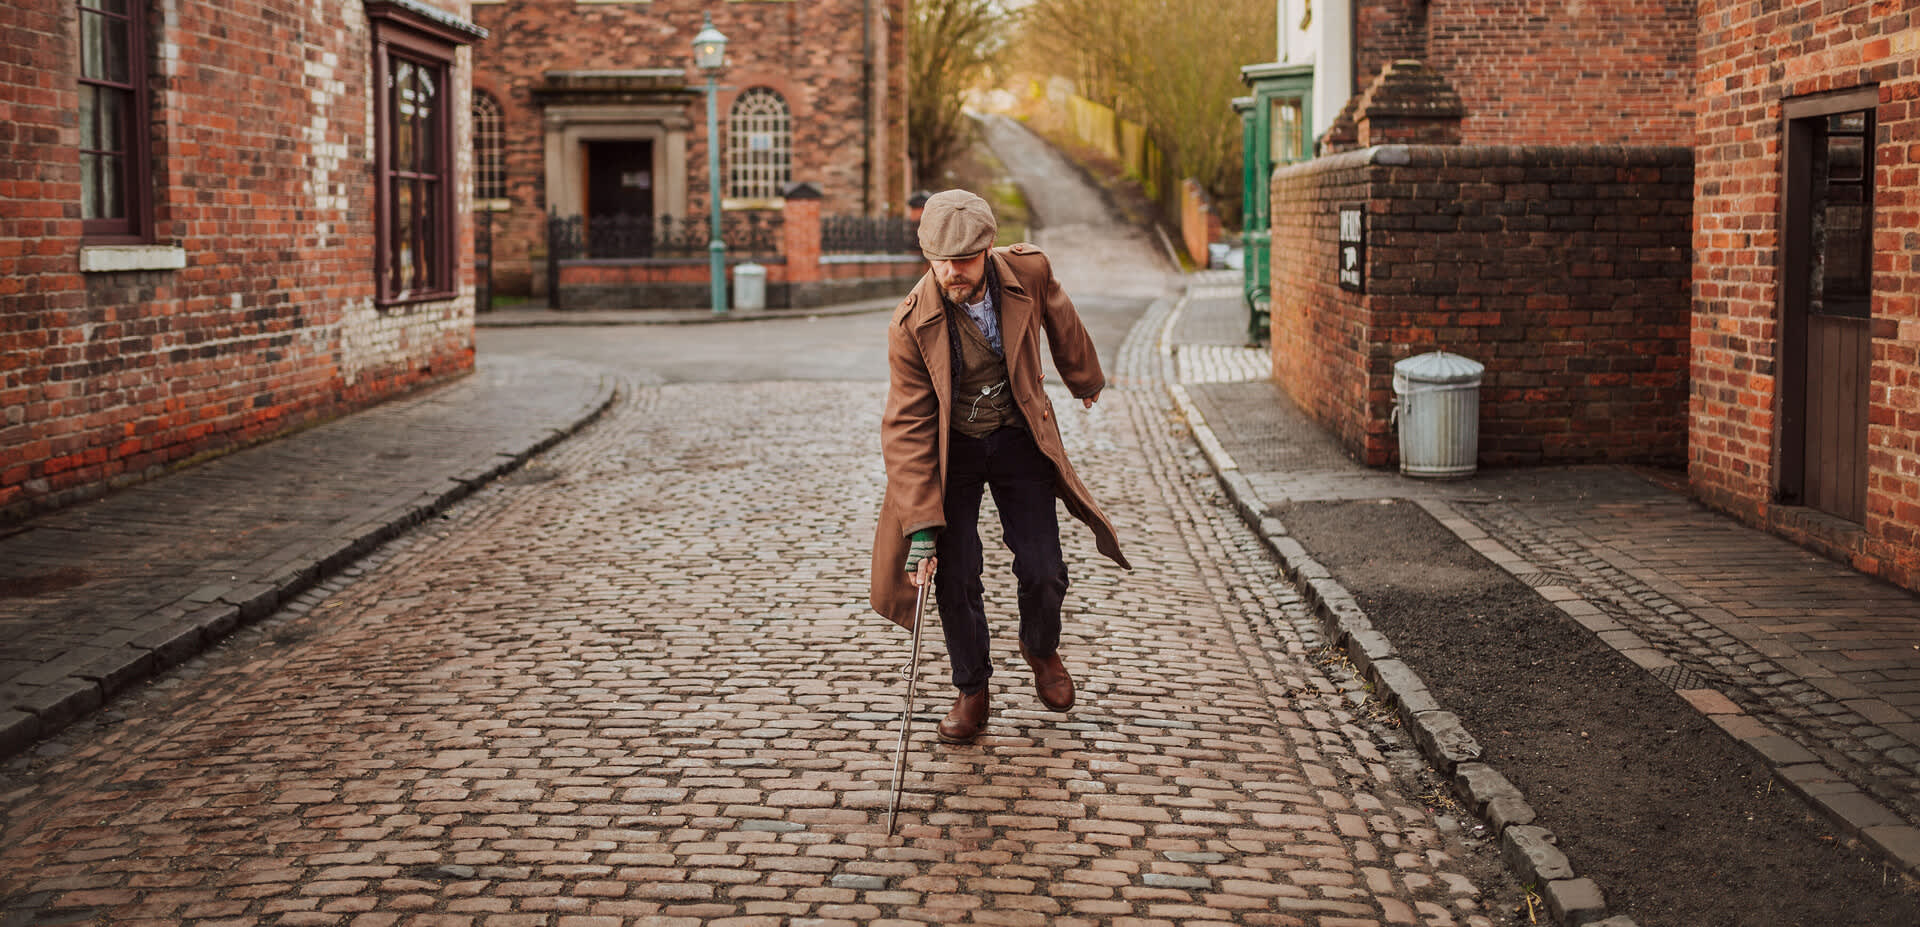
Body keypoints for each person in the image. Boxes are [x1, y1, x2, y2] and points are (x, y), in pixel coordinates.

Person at [869, 189, 1130, 745]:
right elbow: (908, 428)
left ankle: (1039, 647)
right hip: (951, 450)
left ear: (986, 250)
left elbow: (1059, 315)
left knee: (1043, 566)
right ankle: (972, 690)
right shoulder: (910, 323)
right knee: (956, 575)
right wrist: (919, 528)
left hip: (1017, 434)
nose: (951, 271)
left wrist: (1083, 377)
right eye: (940, 259)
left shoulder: (1026, 272)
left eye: (963, 259)